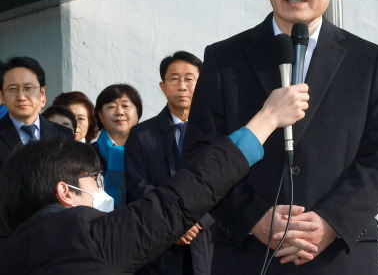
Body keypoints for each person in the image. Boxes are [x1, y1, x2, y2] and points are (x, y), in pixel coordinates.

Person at [182, 0, 378, 274]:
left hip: (339, 258)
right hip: (248, 255)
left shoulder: (368, 60)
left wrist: (331, 221)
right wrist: (253, 217)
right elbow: (198, 155)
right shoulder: (224, 59)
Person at [0, 81, 309, 272]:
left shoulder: (10, 253)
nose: (101, 188)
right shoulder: (88, 238)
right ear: (65, 192)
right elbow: (179, 199)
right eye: (94, 180)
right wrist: (267, 120)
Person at [125, 51, 212, 275]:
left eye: (189, 79)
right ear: (163, 86)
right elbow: (137, 185)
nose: (182, 86)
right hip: (158, 244)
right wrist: (173, 223)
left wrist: (198, 220)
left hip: (206, 239)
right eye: (174, 79)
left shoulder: (217, 133)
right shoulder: (141, 134)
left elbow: (228, 183)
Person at [0, 56, 74, 243]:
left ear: (43, 94)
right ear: (2, 96)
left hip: (58, 235)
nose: (21, 96)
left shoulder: (63, 135)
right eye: (13, 89)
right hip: (8, 238)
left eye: (28, 88)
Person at [93, 84, 142, 207]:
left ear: (138, 113)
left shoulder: (150, 151)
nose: (119, 112)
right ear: (100, 115)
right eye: (111, 107)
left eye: (126, 106)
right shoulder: (86, 153)